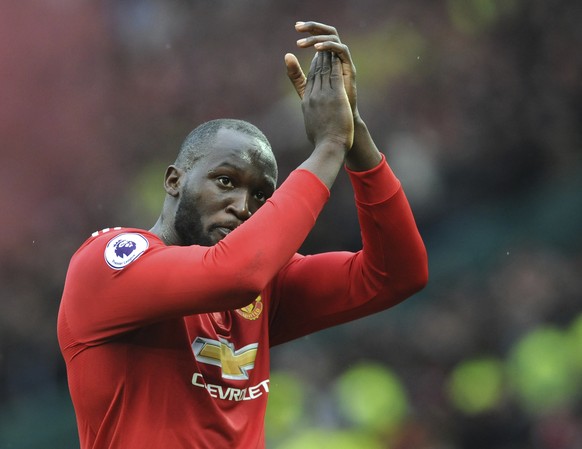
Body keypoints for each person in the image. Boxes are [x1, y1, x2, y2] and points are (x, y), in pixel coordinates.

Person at [58, 21, 428, 449]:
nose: (243, 207)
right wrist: (327, 147)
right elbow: (233, 275)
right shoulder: (107, 264)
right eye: (226, 181)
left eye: (261, 195)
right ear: (174, 180)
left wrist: (354, 136)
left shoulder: (264, 286)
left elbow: (397, 275)